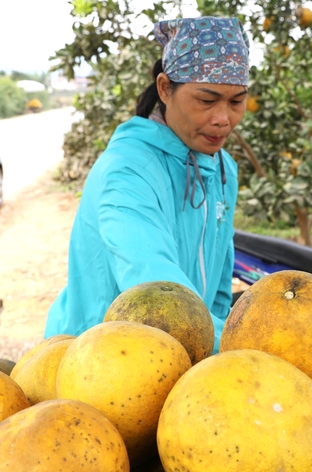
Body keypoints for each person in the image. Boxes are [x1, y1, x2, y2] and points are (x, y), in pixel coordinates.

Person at [44, 16, 250, 352]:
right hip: (100, 359)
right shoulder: (128, 171)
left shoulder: (223, 168)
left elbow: (218, 289)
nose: (223, 118)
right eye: (207, 100)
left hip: (178, 351)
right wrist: (244, 350)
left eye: (236, 101)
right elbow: (154, 289)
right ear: (165, 88)